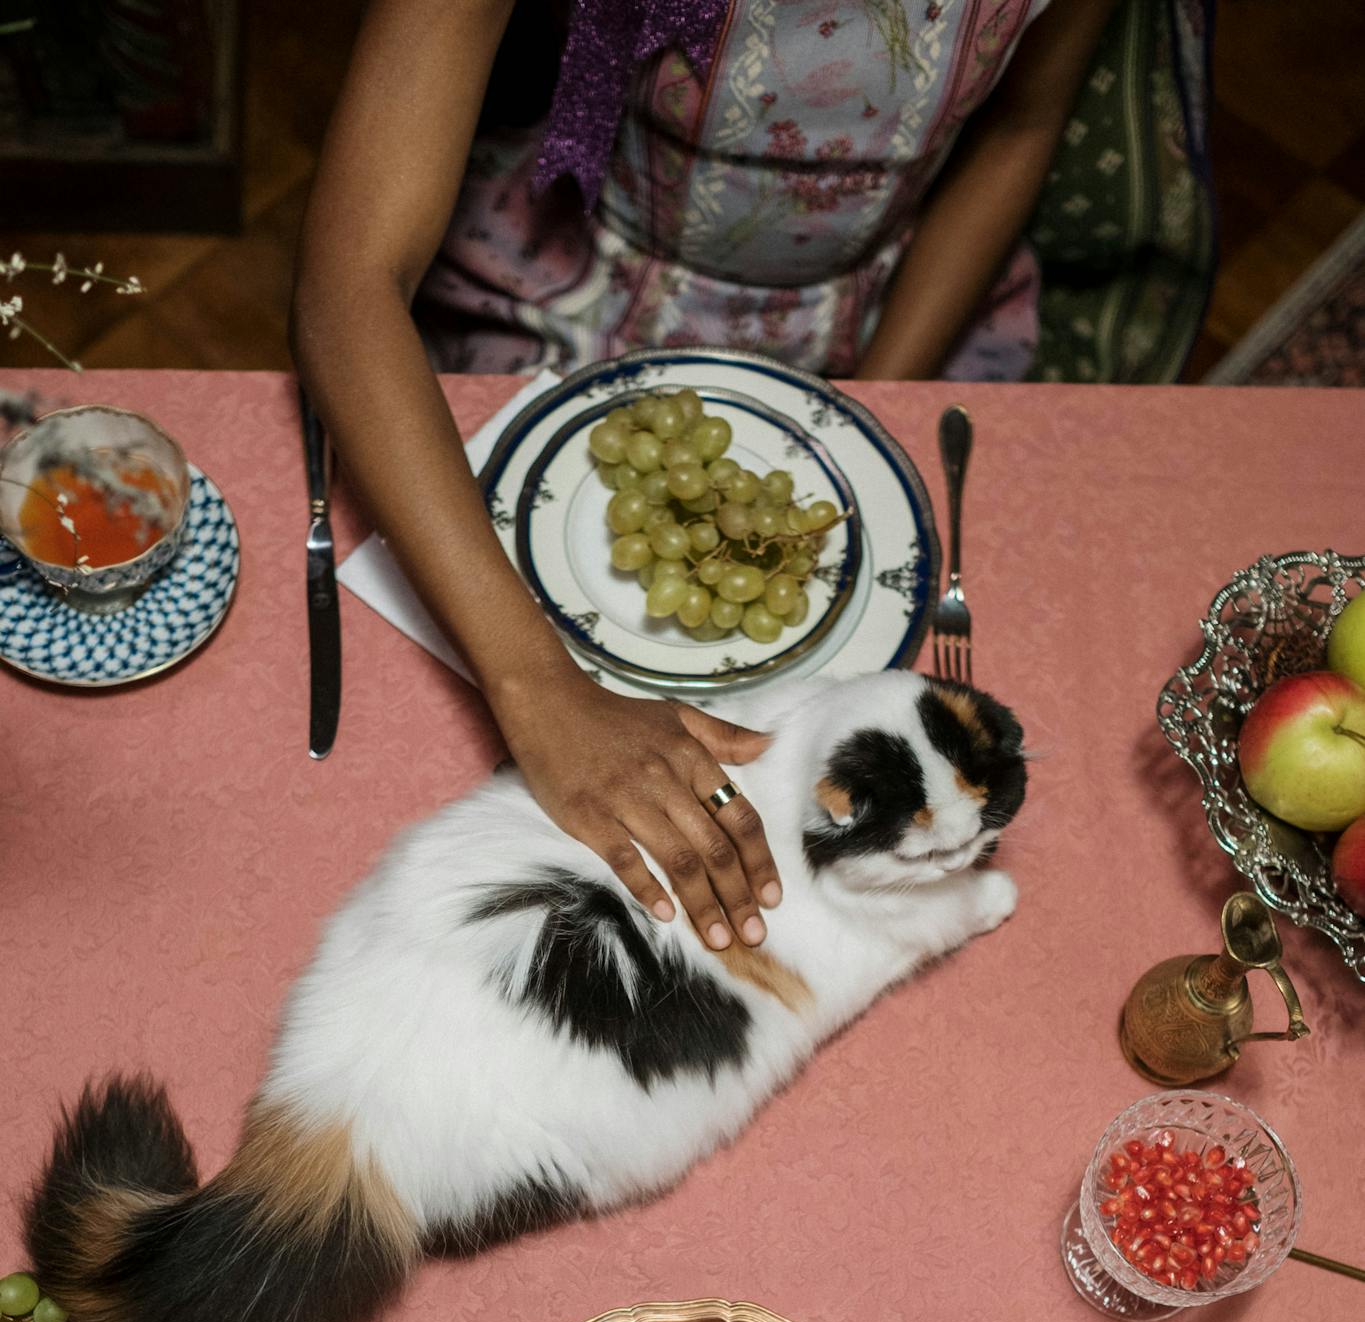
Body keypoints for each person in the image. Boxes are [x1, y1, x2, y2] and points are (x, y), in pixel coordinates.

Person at [291, 0, 1121, 952]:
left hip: (892, 311)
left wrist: (861, 409)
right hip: (573, 291)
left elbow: (1020, 128)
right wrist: (537, 688)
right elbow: (349, 281)